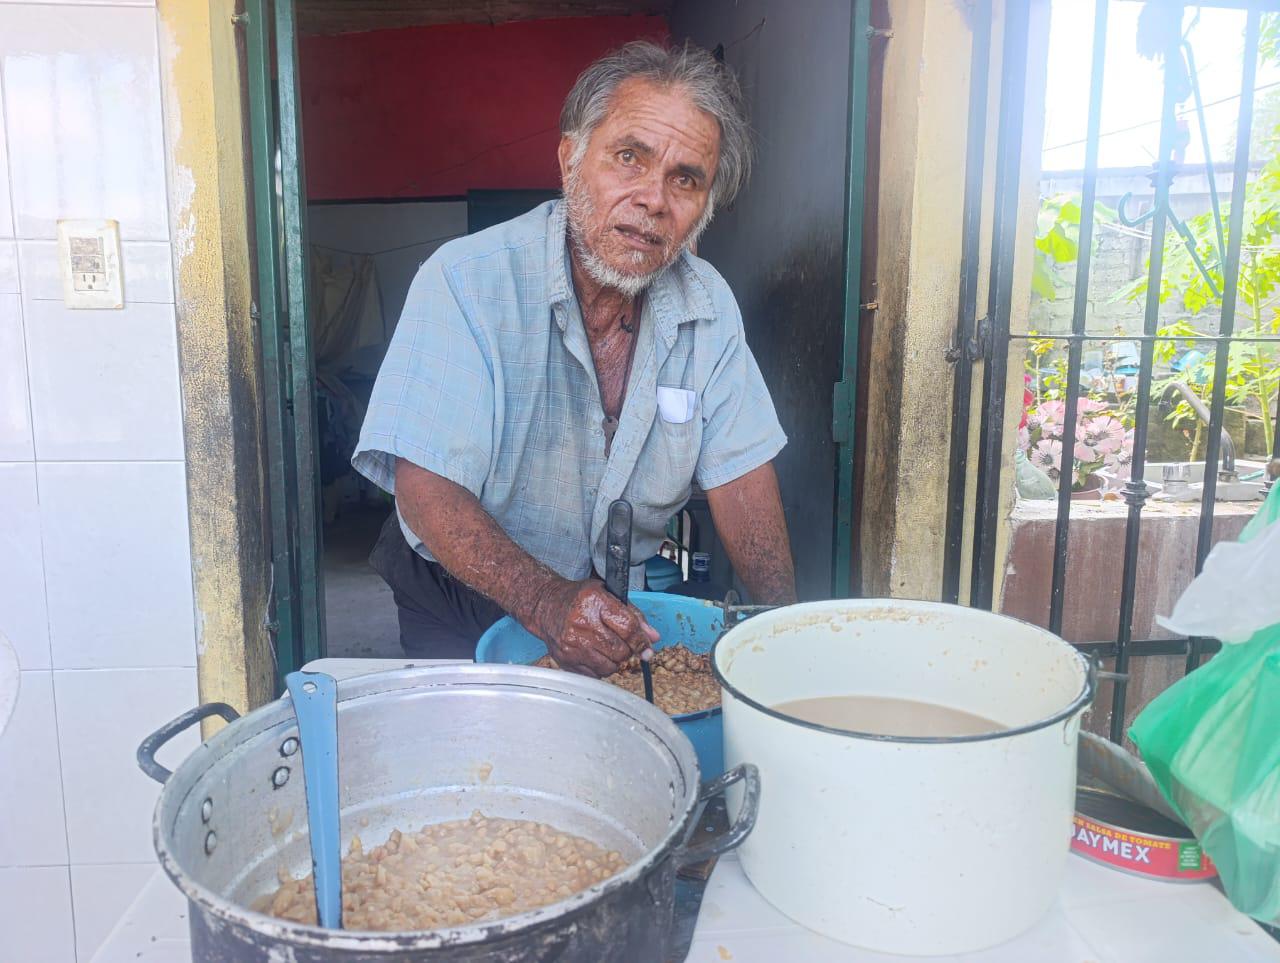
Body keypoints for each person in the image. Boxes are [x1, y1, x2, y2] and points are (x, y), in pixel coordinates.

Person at [352, 40, 796, 677]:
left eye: (685, 179)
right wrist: (546, 601)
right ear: (570, 159)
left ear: (704, 208)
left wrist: (780, 631)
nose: (653, 199)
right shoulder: (466, 280)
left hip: (601, 603)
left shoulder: (708, 305)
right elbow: (426, 488)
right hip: (459, 593)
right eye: (628, 158)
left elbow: (742, 475)